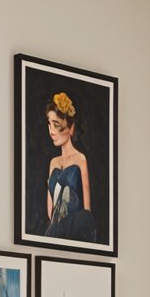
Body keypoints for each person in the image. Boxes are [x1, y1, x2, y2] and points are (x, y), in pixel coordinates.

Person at [45, 92, 96, 242]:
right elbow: (50, 209)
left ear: (71, 127)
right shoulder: (53, 162)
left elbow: (87, 209)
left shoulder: (80, 159)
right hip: (55, 230)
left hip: (76, 229)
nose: (51, 131)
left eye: (56, 125)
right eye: (49, 124)